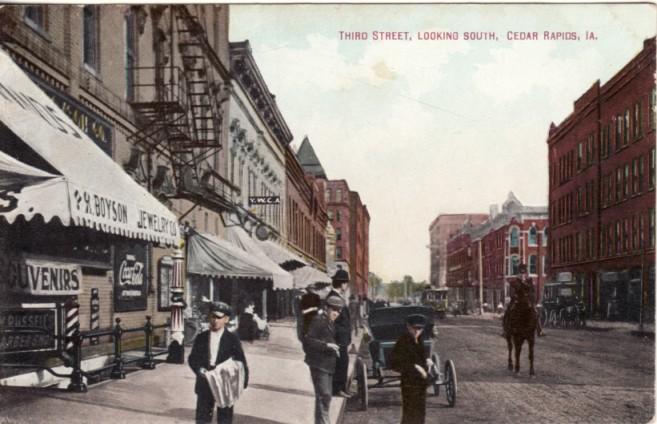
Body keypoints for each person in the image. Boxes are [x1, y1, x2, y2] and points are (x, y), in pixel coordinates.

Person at [188, 302, 249, 424]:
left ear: (226, 319)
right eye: (212, 316)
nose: (215, 320)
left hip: (224, 382)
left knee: (225, 416)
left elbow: (241, 361)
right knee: (203, 416)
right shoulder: (201, 337)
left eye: (219, 317)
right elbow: (193, 358)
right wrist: (199, 369)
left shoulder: (232, 339)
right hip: (205, 380)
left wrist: (242, 382)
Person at [303, 295, 343, 424]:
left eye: (339, 311)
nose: (336, 313)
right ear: (327, 308)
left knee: (326, 396)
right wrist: (327, 346)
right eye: (334, 310)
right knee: (324, 395)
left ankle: (321, 421)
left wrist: (333, 347)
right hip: (318, 363)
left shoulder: (329, 321)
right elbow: (308, 341)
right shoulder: (319, 320)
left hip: (327, 363)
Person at [390, 314, 431, 424]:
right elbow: (394, 363)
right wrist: (415, 366)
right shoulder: (403, 341)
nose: (417, 331)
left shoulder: (419, 340)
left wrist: (427, 360)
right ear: (408, 327)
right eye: (414, 328)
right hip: (410, 383)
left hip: (421, 383)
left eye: (420, 328)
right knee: (410, 413)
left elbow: (422, 355)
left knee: (420, 412)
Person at [326, 266, 352, 397]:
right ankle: (338, 389)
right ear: (342, 283)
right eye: (346, 283)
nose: (347, 286)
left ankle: (341, 388)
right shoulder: (334, 298)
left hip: (341, 337)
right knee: (340, 363)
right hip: (338, 337)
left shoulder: (337, 296)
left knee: (342, 362)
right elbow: (332, 320)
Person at [502, 263, 545, 337]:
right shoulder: (514, 282)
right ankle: (506, 331)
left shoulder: (529, 281)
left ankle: (539, 330)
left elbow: (533, 292)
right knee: (508, 312)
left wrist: (531, 298)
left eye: (524, 273)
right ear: (518, 273)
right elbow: (511, 293)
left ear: (526, 273)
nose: (522, 275)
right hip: (517, 301)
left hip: (527, 301)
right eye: (521, 273)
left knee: (535, 312)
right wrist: (515, 297)